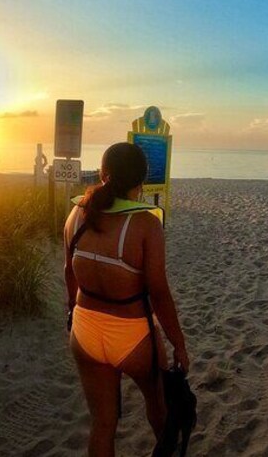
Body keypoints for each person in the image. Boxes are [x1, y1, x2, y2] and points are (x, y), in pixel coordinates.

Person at [64, 142, 189, 457]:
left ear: (103, 174)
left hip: (85, 330)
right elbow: (158, 293)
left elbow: (69, 273)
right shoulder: (146, 224)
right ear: (142, 181)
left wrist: (71, 311)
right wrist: (179, 343)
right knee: (160, 410)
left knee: (103, 424)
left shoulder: (77, 215)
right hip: (132, 334)